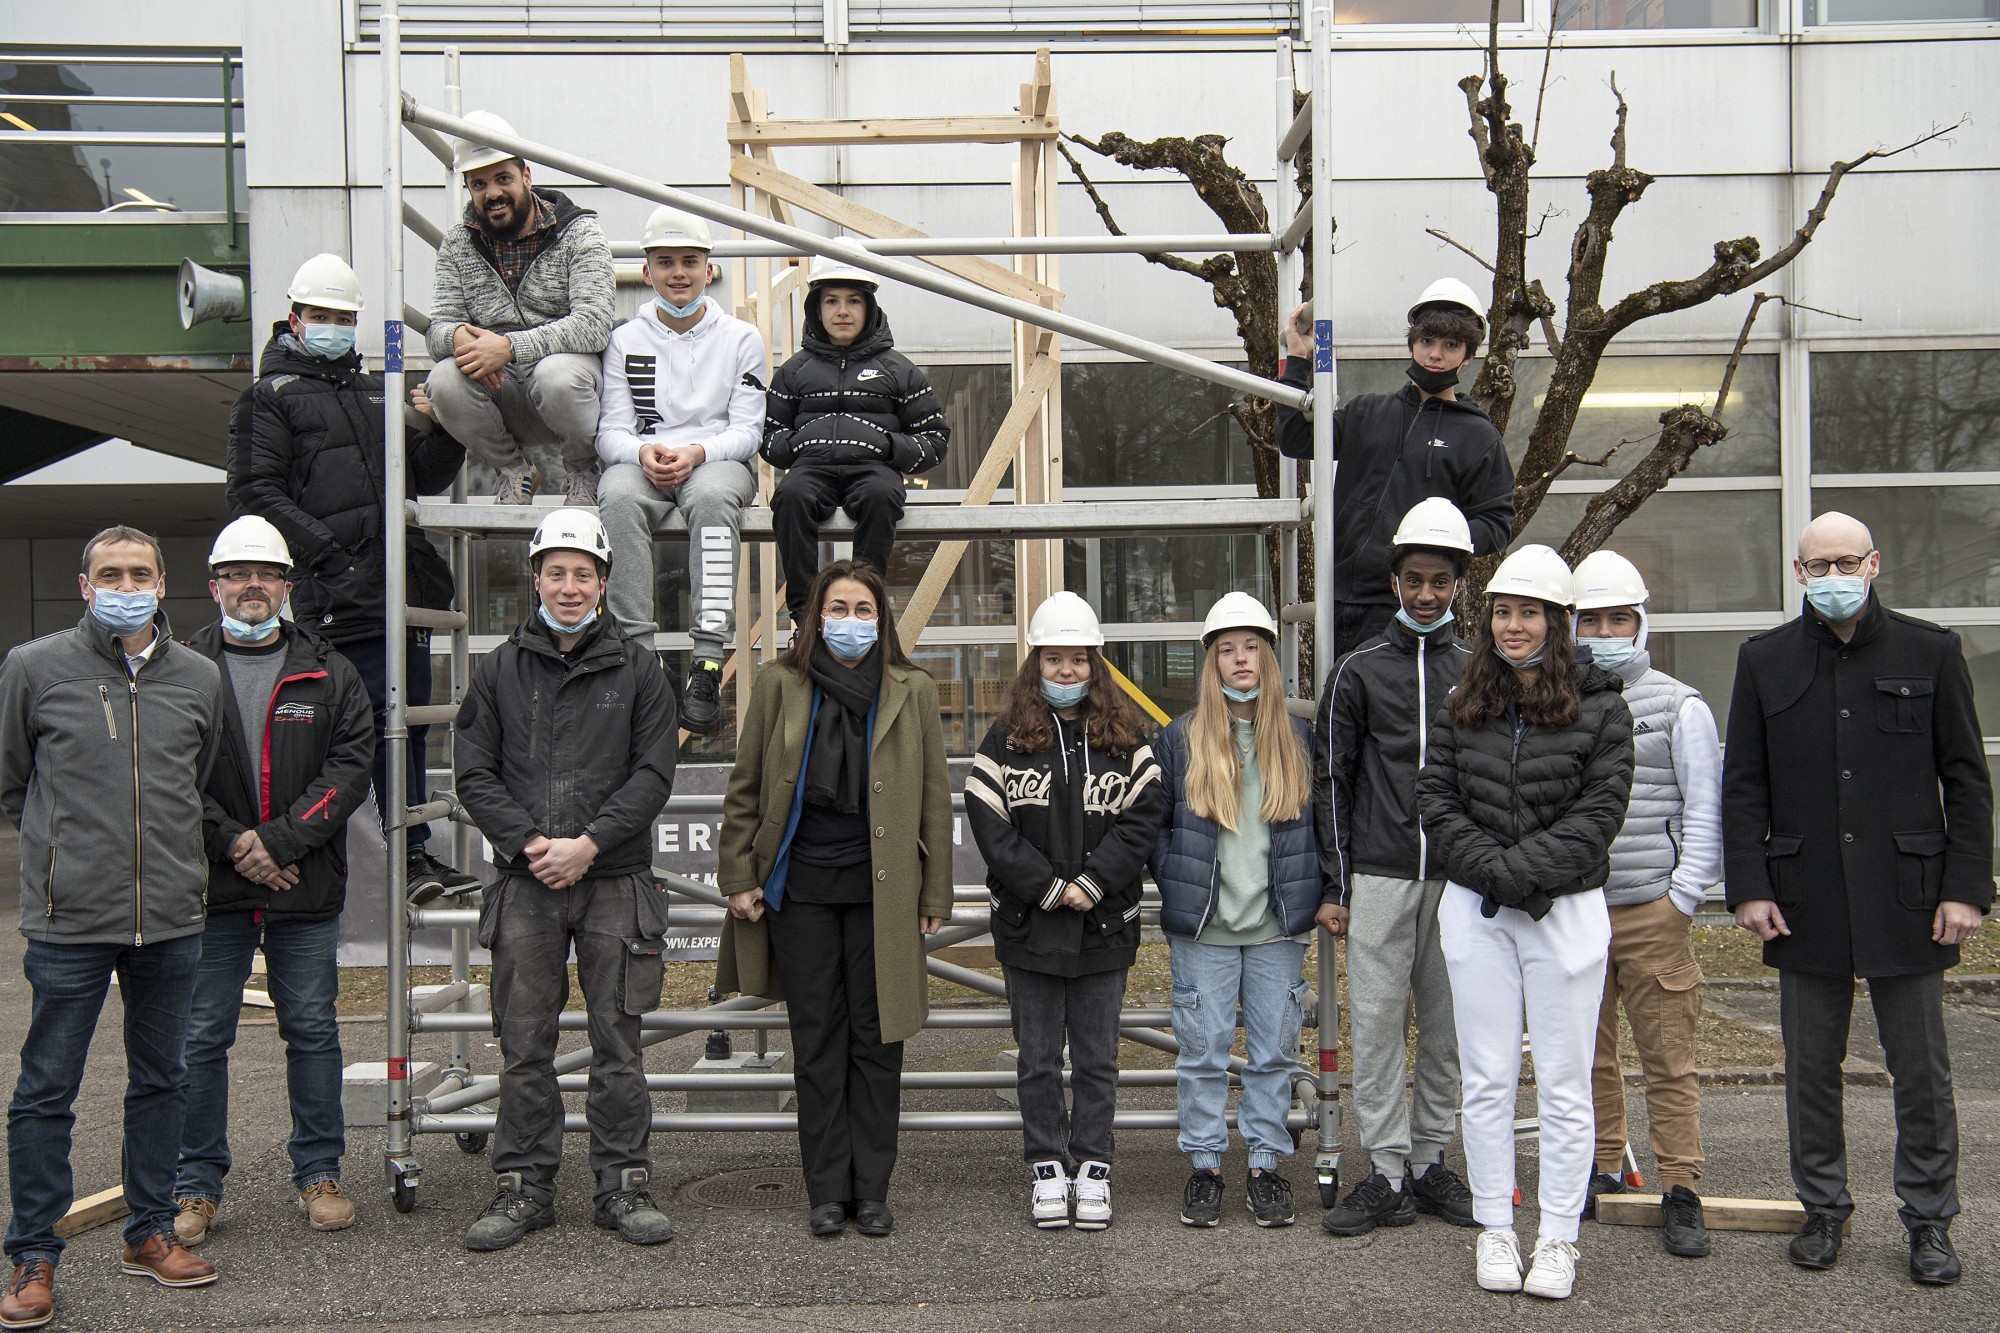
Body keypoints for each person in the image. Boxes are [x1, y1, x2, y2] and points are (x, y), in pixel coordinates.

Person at [1722, 512, 1991, 1287]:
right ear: (1798, 573)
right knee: (1810, 1067)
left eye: (1847, 562)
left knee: (1923, 1070)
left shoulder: (1930, 650)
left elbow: (1967, 780)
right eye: (1818, 565)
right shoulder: (1764, 660)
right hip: (1802, 895)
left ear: (1873, 563)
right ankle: (1824, 1209)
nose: (1833, 576)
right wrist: (1749, 886)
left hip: (1911, 895)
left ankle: (1930, 1219)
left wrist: (1967, 888)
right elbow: (1745, 786)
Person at [0, 526, 226, 1327]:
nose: (124, 582)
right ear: (85, 585)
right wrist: (62, 858)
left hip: (169, 920)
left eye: (139, 572)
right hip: (71, 923)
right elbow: (12, 783)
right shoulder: (34, 668)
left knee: (162, 1079)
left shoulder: (200, 677)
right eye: (109, 573)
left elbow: (195, 781)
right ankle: (32, 1253)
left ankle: (150, 1231)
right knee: (46, 1090)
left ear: (164, 584)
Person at [452, 509, 678, 1252]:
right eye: (557, 571)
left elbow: (653, 773)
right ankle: (523, 1186)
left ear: (605, 581)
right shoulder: (499, 667)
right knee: (524, 1042)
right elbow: (472, 771)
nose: (570, 585)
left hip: (615, 877)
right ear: (537, 577)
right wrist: (528, 843)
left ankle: (622, 1185)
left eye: (584, 572)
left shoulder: (640, 668)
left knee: (619, 1041)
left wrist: (588, 843)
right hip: (525, 881)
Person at [1415, 544, 1633, 1301]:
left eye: (1528, 612)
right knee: (1488, 1080)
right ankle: (1496, 1230)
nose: (1513, 625)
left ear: (1558, 621)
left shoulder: (1603, 704)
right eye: (1503, 611)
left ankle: (1559, 1238)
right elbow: (1436, 803)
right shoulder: (1460, 700)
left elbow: (1598, 816)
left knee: (1567, 1087)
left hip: (1564, 913)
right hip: (1478, 914)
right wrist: (1497, 874)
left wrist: (1521, 874)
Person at [227, 251, 478, 905]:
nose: (334, 326)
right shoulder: (269, 398)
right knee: (341, 743)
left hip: (401, 592)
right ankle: (303, 865)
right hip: (337, 600)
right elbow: (255, 491)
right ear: (294, 318)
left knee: (409, 729)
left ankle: (416, 857)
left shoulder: (374, 392)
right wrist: (330, 555)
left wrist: (447, 427)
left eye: (344, 317)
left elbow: (419, 474)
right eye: (322, 315)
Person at [718, 559, 954, 1239]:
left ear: (882, 621)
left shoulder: (910, 689)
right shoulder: (778, 684)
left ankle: (871, 1191)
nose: (850, 621)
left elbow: (935, 798)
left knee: (878, 1042)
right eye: (838, 607)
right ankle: (826, 1189)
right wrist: (738, 875)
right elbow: (746, 784)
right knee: (816, 1041)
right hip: (803, 893)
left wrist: (935, 887)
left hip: (885, 895)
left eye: (863, 610)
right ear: (814, 615)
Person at [172, 517, 374, 1248]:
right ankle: (195, 1184)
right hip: (213, 887)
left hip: (303, 882)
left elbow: (351, 767)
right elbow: (166, 773)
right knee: (200, 1036)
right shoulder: (180, 667)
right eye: (236, 573)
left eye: (265, 573)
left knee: (313, 1031)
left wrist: (280, 842)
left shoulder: (329, 669)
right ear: (214, 583)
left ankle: (319, 1172)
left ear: (287, 586)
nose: (251, 585)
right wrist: (234, 844)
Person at [965, 592, 1166, 1231]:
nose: (1066, 672)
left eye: (1078, 660)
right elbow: (988, 823)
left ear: (1095, 665)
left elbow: (1143, 820)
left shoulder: (1127, 738)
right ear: (1036, 664)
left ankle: (1094, 1167)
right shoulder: (1005, 740)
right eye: (1054, 660)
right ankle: (1046, 1166)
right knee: (1038, 1057)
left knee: (1100, 1056)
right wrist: (1049, 888)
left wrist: (1092, 882)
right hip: (1030, 924)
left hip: (1105, 925)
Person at [1314, 499, 1477, 1238]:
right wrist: (1336, 881)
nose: (1426, 594)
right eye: (1414, 579)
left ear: (1458, 585)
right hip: (1378, 875)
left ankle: (1431, 1157)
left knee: (1447, 1027)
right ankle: (1384, 1170)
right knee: (1378, 1027)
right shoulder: (1358, 669)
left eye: (1439, 581)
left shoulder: (1478, 671)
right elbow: (1332, 780)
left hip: (1461, 881)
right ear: (1394, 580)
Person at [1149, 592, 1329, 1231]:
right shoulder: (1180, 738)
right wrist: (1176, 885)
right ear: (1212, 662)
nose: (1240, 659)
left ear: (1269, 658)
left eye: (1251, 647)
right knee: (1202, 1051)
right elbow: (1155, 827)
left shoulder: (1297, 737)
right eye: (1227, 649)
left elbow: (1317, 826)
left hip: (1277, 925)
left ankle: (1264, 1164)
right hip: (1207, 925)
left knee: (1275, 1051)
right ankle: (1204, 1168)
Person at [1571, 549, 1721, 1259]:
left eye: (1618, 618)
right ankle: (1604, 1167)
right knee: (1588, 1054)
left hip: (1651, 911)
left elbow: (1705, 810)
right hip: (1576, 913)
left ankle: (1681, 1186)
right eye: (1591, 618)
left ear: (1641, 623)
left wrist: (1682, 899)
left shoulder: (1677, 703)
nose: (1604, 630)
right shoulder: (1556, 702)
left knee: (1667, 1055)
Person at [1274, 278, 1516, 660]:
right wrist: (1298, 360)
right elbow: (1293, 439)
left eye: (1450, 346)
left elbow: (1497, 524)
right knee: (1337, 710)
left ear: (1468, 357)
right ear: (1411, 344)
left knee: (1391, 716)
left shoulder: (1478, 435)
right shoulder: (1367, 411)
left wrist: (1434, 540)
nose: (1435, 354)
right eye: (1426, 342)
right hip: (1334, 596)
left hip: (1404, 608)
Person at [596, 205, 765, 734]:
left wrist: (696, 451)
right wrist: (640, 454)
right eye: (664, 262)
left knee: (714, 500)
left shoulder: (741, 338)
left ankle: (707, 662)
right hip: (645, 461)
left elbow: (749, 431)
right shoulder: (625, 339)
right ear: (646, 271)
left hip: (717, 460)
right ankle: (637, 660)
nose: (678, 273)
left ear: (708, 268)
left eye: (690, 261)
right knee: (617, 497)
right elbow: (610, 432)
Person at [425, 110, 617, 506]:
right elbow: (437, 329)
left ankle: (582, 471)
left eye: (502, 179)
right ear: (468, 188)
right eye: (479, 184)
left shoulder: (579, 231)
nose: (492, 193)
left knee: (557, 375)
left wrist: (510, 347)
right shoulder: (458, 244)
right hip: (501, 392)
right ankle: (514, 471)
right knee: (443, 378)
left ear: (526, 176)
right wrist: (458, 336)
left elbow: (595, 324)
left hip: (568, 388)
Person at [762, 258, 950, 626]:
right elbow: (768, 436)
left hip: (873, 470)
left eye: (853, 301)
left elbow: (935, 439)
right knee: (790, 496)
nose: (842, 311)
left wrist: (886, 446)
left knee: (883, 495)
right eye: (831, 301)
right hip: (811, 469)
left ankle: (866, 610)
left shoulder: (899, 369)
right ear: (817, 308)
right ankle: (804, 618)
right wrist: (799, 444)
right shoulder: (793, 371)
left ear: (870, 306)